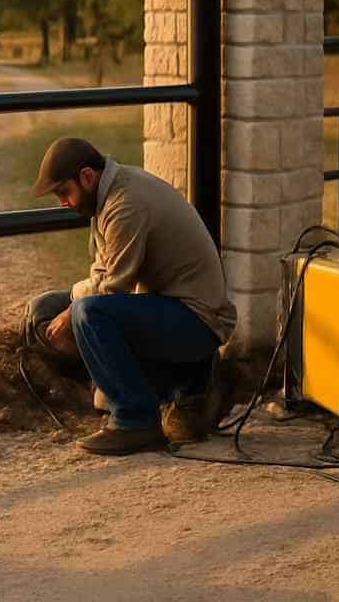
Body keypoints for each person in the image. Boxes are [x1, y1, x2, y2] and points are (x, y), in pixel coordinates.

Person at [24, 137, 236, 455]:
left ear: (86, 177)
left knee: (86, 314)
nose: (62, 203)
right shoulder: (109, 193)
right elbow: (103, 273)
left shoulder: (125, 205)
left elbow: (113, 288)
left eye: (64, 192)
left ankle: (136, 420)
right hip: (170, 309)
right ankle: (174, 384)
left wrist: (71, 312)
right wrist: (65, 304)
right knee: (42, 310)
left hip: (197, 321)